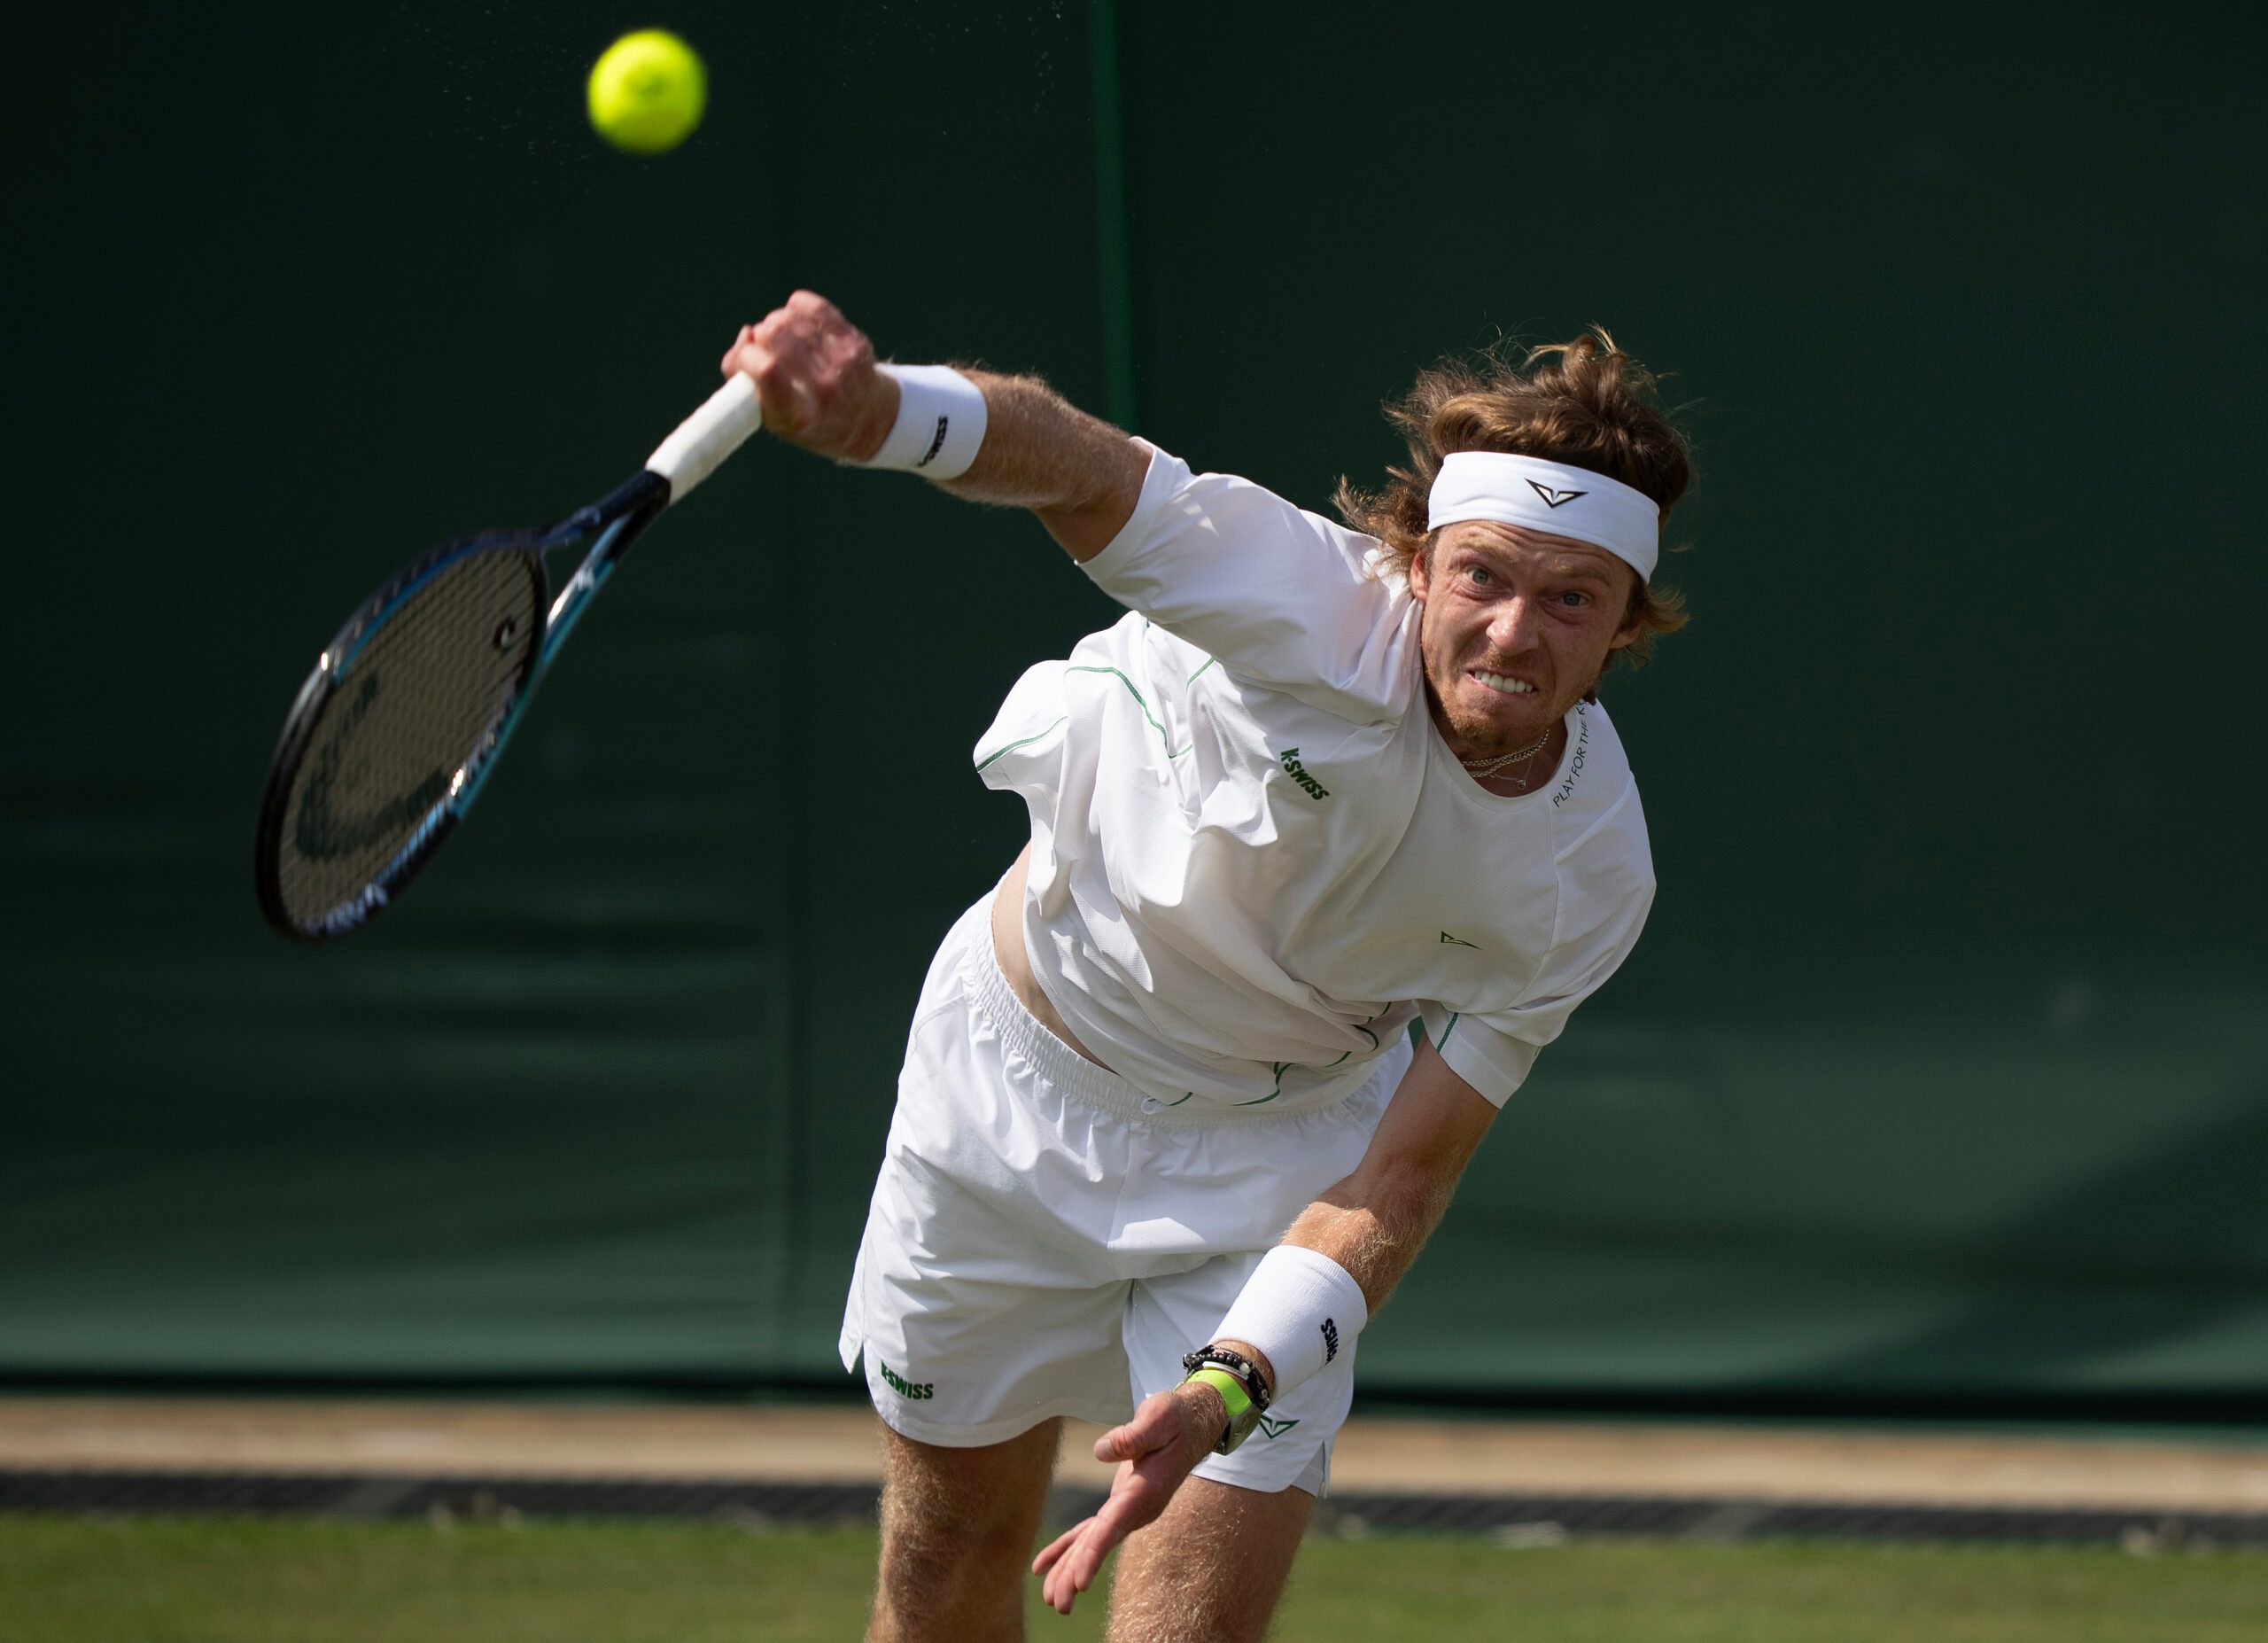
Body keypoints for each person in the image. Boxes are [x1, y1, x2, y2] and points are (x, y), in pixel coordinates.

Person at [719, 292, 1693, 1642]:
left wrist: (1230, 1380)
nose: (1513, 632)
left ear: (1624, 626)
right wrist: (885, 411)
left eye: (1570, 597)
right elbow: (1081, 463)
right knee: (941, 1582)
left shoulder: (1590, 872)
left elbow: (1400, 1176)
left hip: (1281, 1161)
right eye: (1482, 575)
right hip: (1009, 1089)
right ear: (1418, 564)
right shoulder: (1299, 594)